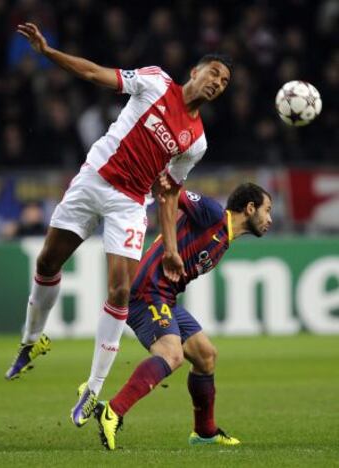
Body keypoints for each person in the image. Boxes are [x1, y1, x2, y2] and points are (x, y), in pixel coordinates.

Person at [4, 22, 232, 429]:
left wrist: (171, 249)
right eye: (214, 72)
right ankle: (30, 340)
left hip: (130, 203)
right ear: (194, 72)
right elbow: (95, 74)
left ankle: (92, 388)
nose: (218, 82)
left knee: (121, 289)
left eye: (225, 82)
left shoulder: (196, 141)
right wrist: (47, 53)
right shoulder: (156, 81)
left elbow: (168, 191)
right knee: (47, 263)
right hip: (94, 179)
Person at [93, 183, 272, 450]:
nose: (270, 218)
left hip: (165, 298)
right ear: (249, 208)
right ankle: (113, 411)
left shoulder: (224, 238)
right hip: (146, 292)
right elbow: (171, 192)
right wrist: (171, 248)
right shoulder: (212, 213)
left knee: (206, 356)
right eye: (267, 210)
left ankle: (205, 433)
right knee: (171, 355)